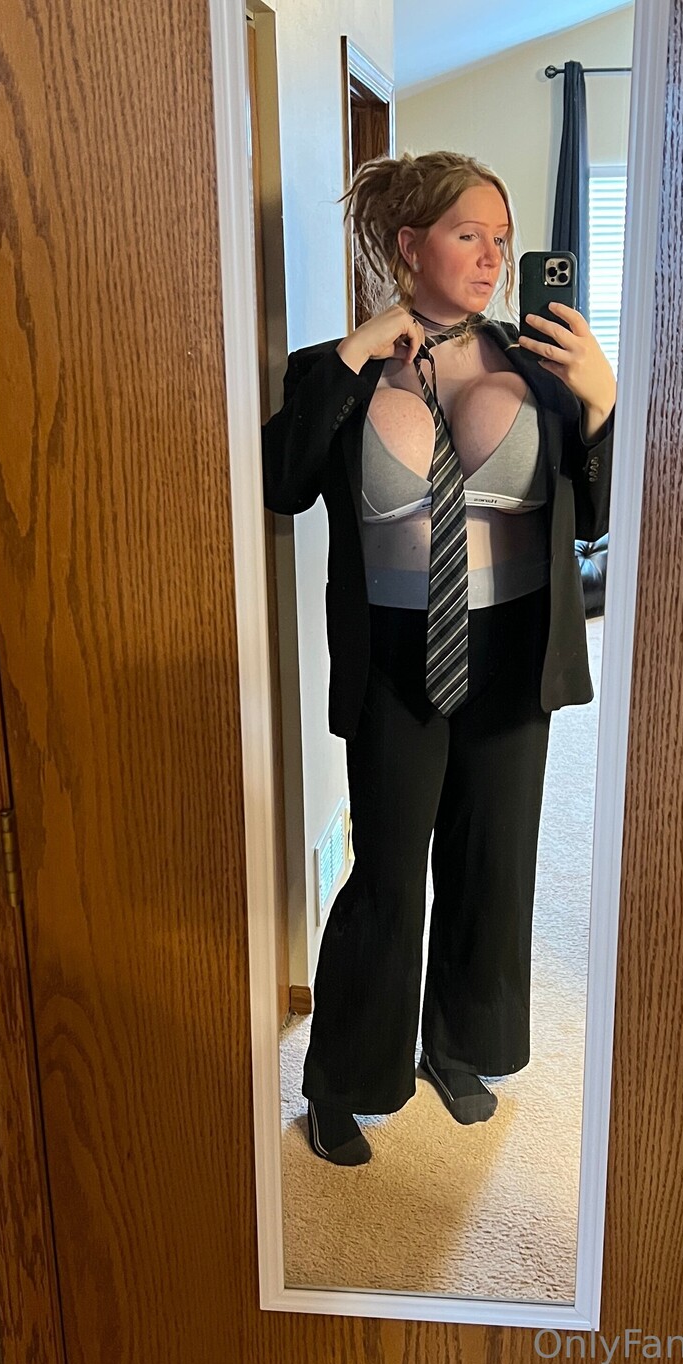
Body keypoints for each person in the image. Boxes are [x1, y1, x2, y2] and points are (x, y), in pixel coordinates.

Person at [261, 150, 616, 1166]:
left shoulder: (541, 364)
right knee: (386, 870)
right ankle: (342, 1077)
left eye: (502, 239)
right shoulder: (336, 369)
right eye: (471, 235)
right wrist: (353, 351)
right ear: (411, 243)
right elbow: (282, 484)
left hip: (512, 651)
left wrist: (601, 400)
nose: (494, 257)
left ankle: (458, 1048)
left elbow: (598, 515)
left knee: (491, 861)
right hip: (395, 652)